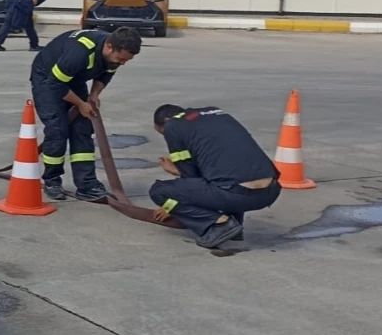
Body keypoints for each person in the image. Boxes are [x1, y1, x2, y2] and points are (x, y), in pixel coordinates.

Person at [30, 27, 142, 202]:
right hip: (47, 78)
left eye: (126, 60)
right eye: (121, 59)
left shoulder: (113, 52)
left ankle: (86, 184)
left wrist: (94, 95)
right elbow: (55, 84)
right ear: (109, 47)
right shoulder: (80, 52)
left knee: (82, 128)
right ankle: (52, 180)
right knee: (57, 129)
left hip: (74, 78)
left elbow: (107, 73)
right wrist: (81, 104)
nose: (122, 63)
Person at [149, 104, 281, 248]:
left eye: (162, 133)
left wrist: (173, 207)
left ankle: (221, 224)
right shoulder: (216, 113)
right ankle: (235, 227)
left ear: (167, 122)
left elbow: (190, 177)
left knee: (158, 191)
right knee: (227, 175)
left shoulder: (173, 126)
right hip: (270, 191)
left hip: (237, 195)